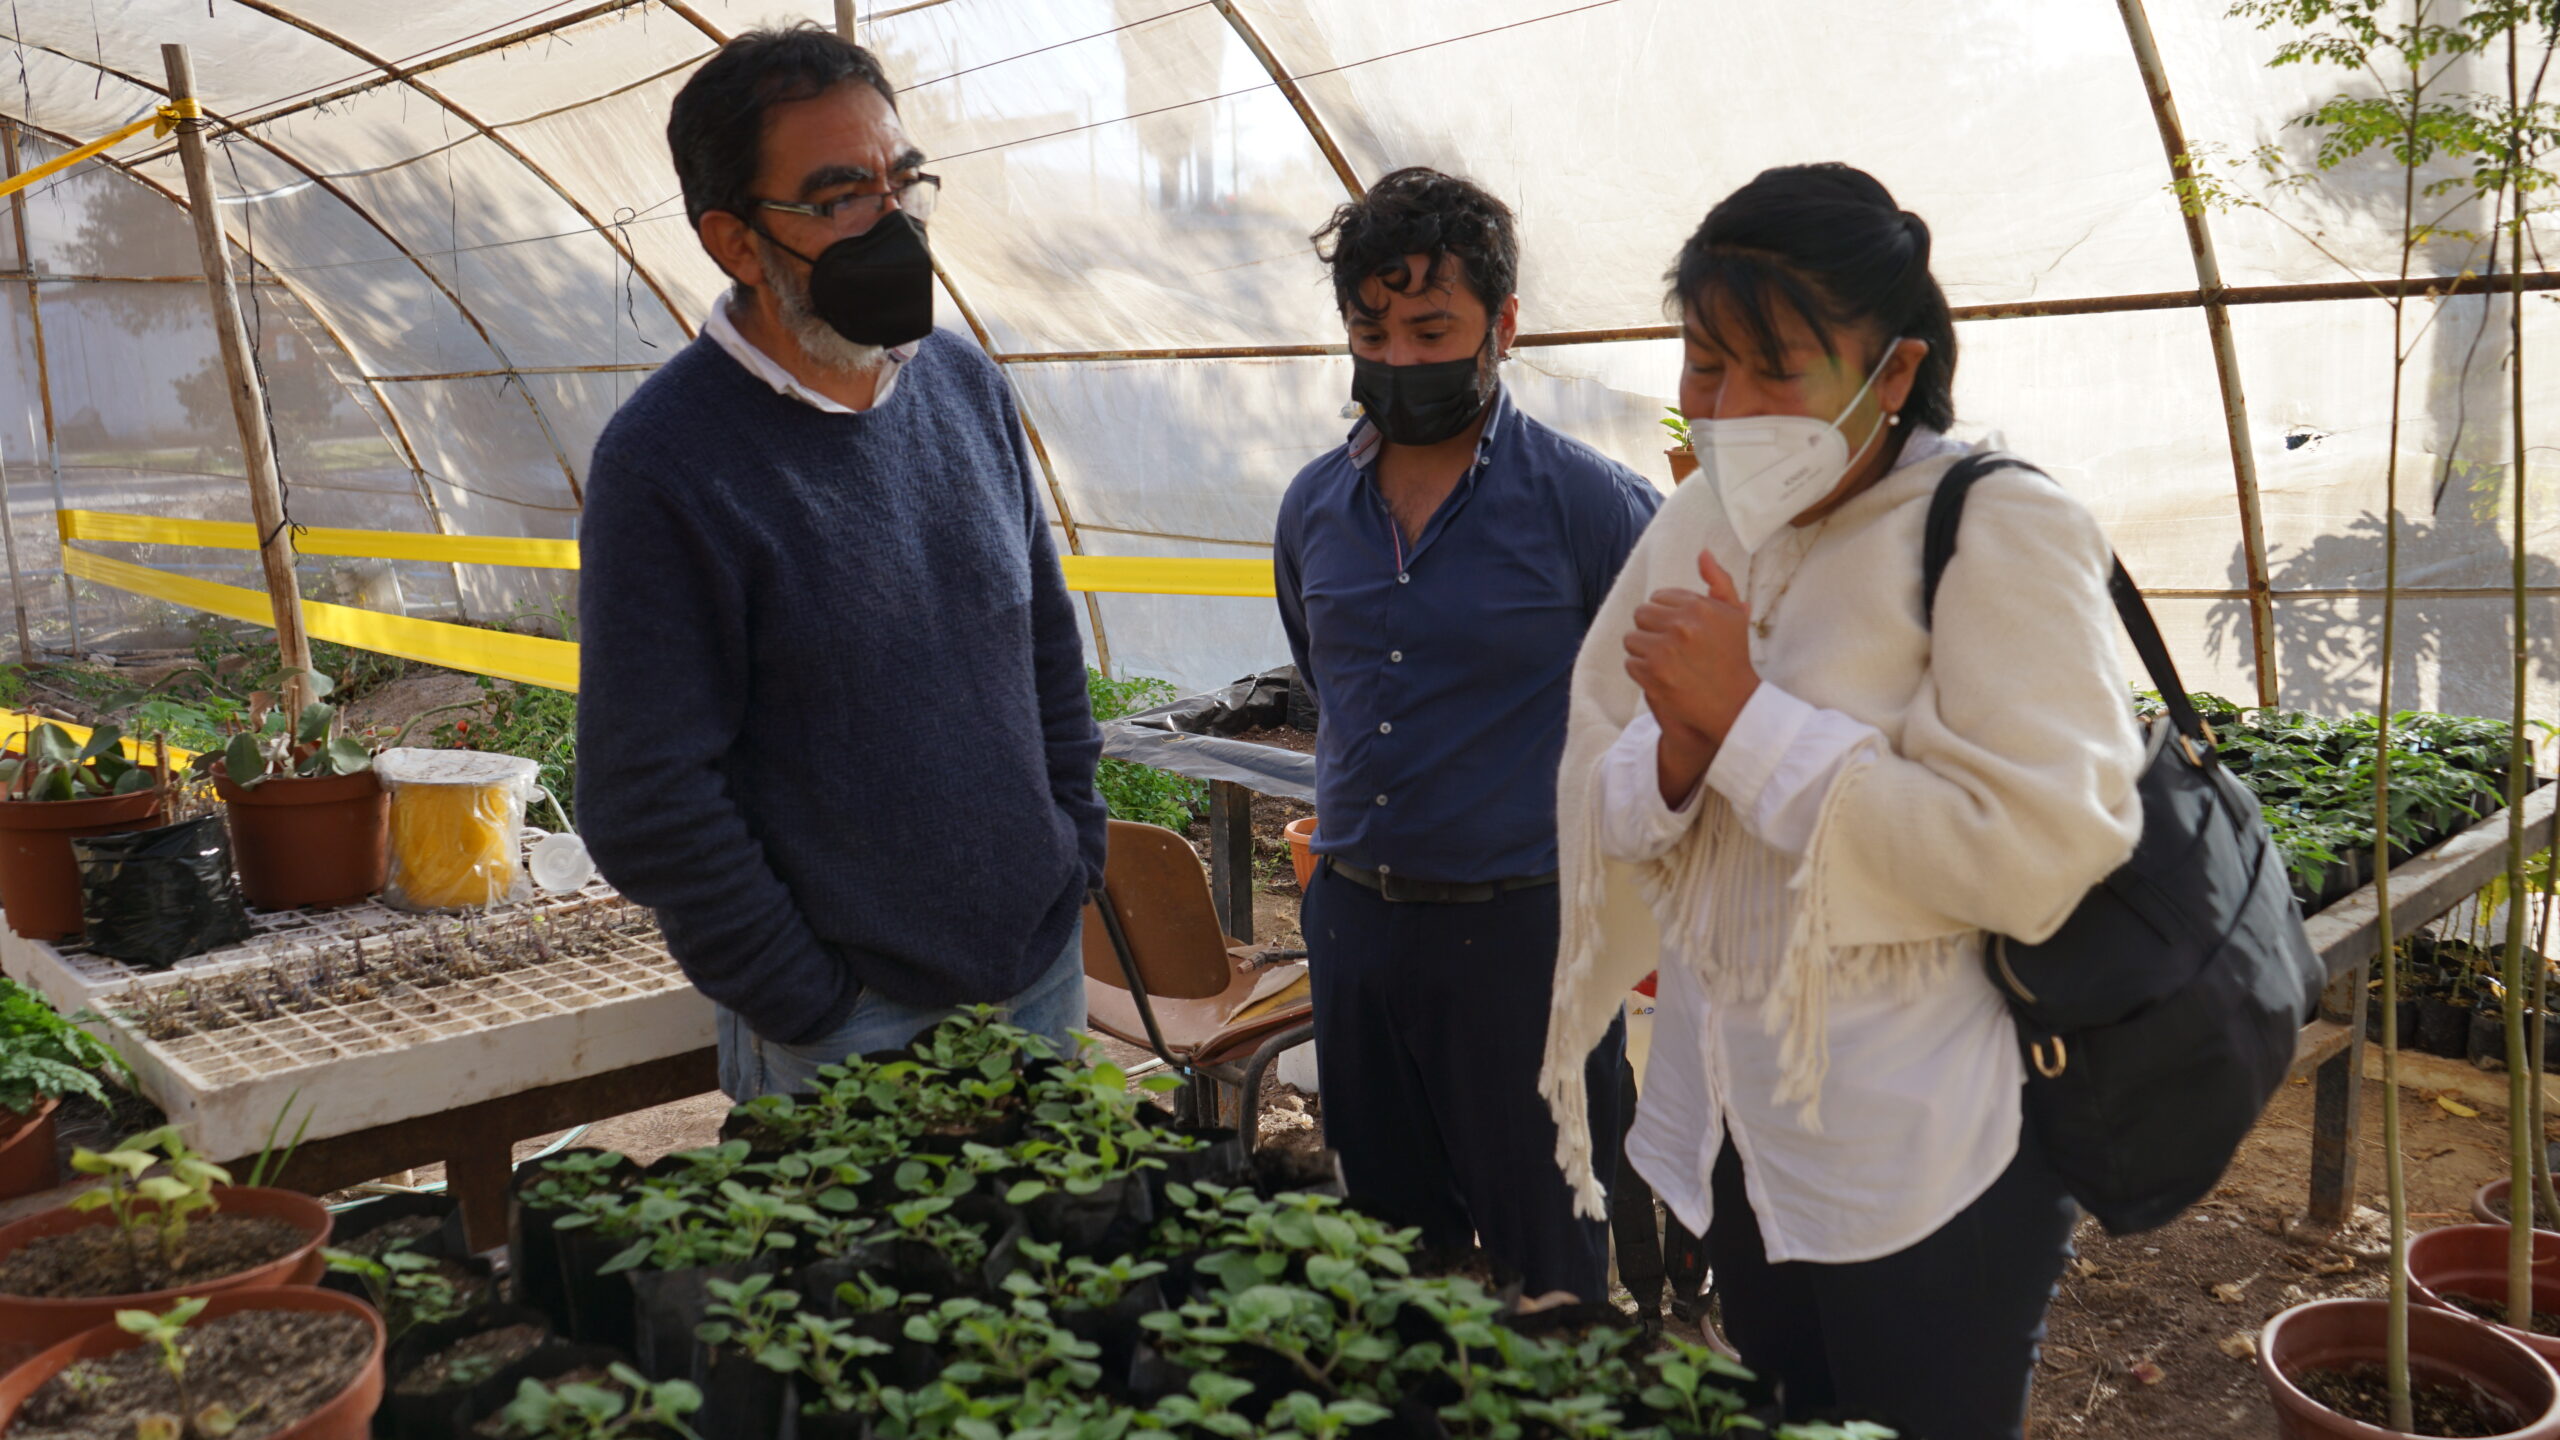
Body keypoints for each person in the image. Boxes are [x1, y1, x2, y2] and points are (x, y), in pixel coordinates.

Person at [1537, 164, 2145, 1440]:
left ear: (1894, 364)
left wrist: (1748, 721)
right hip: (1742, 1134)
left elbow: (2036, 848)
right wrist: (1681, 755)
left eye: (1779, 370)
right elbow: (1606, 780)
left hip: (1922, 1165)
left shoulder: (1995, 528)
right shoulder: (1697, 518)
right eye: (1706, 365)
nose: (1731, 409)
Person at [577, 25, 1105, 1099]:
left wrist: (1071, 856)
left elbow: (1042, 641)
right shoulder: (668, 463)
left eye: (901, 182)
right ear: (734, 243)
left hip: (1038, 974)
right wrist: (804, 997)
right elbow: (647, 795)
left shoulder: (963, 386)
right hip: (848, 1032)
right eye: (838, 200)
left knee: (1062, 1265)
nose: (891, 221)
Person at [1275, 166, 1662, 1302]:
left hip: (1522, 940)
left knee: (1549, 1260)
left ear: (1501, 327)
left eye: (1430, 327)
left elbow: (1654, 718)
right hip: (1353, 925)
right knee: (1393, 1259)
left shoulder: (1591, 508)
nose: (1397, 358)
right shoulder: (1312, 507)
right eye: (1370, 329)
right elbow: (1322, 672)